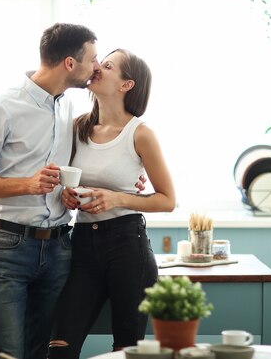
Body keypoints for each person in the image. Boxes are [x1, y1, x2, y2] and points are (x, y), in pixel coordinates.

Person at [0, 22, 101, 359]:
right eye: (92, 59)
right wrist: (29, 184)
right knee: (8, 354)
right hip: (10, 247)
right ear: (70, 63)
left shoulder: (67, 107)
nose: (96, 67)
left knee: (42, 353)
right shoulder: (1, 108)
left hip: (59, 247)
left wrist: (69, 193)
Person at [48, 48, 176, 359]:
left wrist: (116, 198)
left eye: (106, 65)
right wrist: (66, 195)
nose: (96, 68)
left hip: (127, 247)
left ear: (126, 85)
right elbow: (64, 179)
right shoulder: (77, 127)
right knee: (59, 348)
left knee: (125, 352)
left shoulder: (140, 134)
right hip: (82, 247)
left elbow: (168, 200)